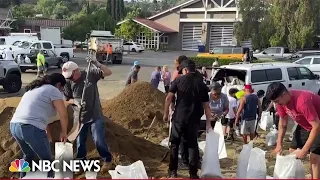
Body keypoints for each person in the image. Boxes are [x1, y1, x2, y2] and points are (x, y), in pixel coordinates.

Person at [10, 73, 69, 178]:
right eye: (62, 88)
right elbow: (63, 114)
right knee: (48, 161)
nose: (61, 91)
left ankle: (22, 177)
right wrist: (64, 132)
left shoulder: (34, 90)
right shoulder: (53, 90)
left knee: (28, 155)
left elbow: (37, 111)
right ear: (59, 85)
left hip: (15, 126)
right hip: (30, 128)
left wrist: (46, 131)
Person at [163, 59, 212, 178]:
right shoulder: (201, 84)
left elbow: (169, 98)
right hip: (194, 120)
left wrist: (165, 114)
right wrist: (208, 124)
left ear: (185, 70)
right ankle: (193, 173)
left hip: (179, 118)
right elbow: (206, 106)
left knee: (175, 144)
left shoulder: (178, 80)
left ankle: (173, 171)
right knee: (192, 145)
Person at [62, 60, 113, 171]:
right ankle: (81, 161)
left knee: (98, 139)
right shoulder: (67, 82)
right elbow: (67, 100)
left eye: (71, 76)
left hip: (95, 114)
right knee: (80, 141)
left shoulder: (90, 74)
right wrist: (76, 101)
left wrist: (97, 64)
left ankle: (107, 160)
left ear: (76, 71)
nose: (69, 79)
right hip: (79, 117)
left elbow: (109, 72)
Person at [266, 82, 320, 179]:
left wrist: (304, 150)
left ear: (284, 94)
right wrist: (279, 144)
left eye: (277, 101)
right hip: (305, 125)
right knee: (292, 150)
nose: (277, 104)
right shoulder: (280, 102)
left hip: (317, 124)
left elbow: (316, 126)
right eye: (275, 102)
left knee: (314, 157)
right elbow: (282, 123)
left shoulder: (302, 101)